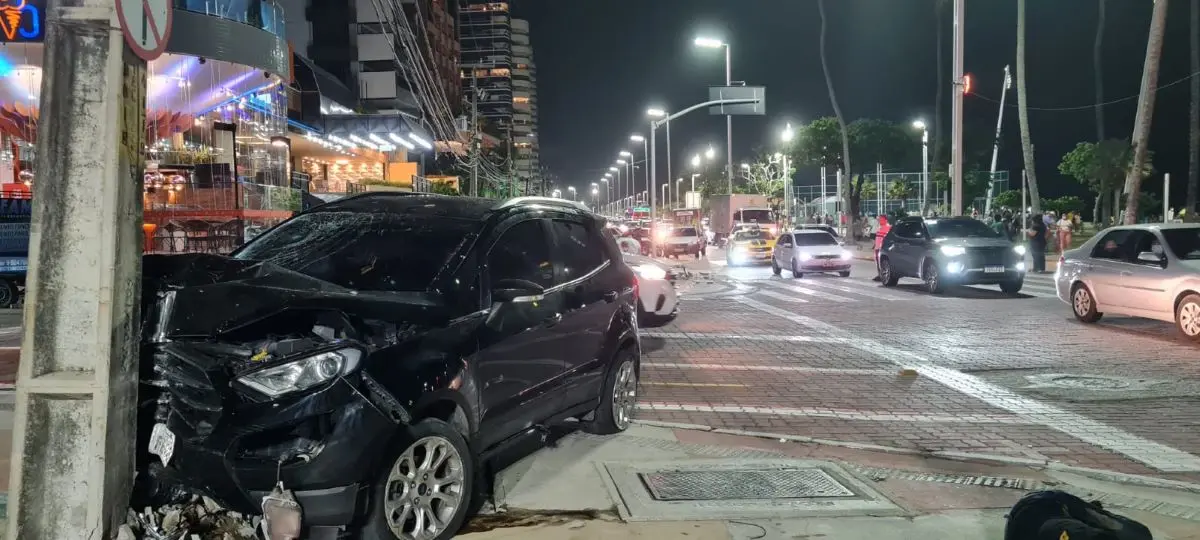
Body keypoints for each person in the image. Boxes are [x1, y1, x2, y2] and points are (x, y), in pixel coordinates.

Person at [872, 214, 891, 282]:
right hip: (877, 248)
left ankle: (883, 275)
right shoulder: (880, 227)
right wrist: (875, 245)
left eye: (881, 219)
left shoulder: (888, 228)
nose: (879, 221)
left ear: (885, 220)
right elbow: (878, 238)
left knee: (881, 262)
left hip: (882, 248)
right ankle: (879, 275)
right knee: (877, 262)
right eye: (879, 219)